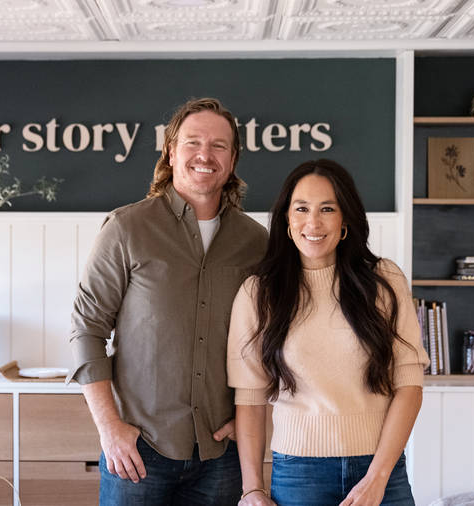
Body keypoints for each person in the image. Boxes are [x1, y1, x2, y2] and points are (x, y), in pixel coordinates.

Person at [68, 97, 269, 505]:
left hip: (221, 454)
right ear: (171, 152)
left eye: (219, 146)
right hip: (138, 452)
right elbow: (85, 329)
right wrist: (109, 428)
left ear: (232, 160)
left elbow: (271, 340)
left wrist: (246, 418)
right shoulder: (126, 228)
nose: (205, 155)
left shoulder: (256, 243)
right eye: (193, 142)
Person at [227, 159, 429, 506]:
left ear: (345, 220)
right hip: (298, 474)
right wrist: (252, 489)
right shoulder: (258, 292)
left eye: (327, 209)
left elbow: (409, 386)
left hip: (381, 467)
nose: (313, 222)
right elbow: (250, 401)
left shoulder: (384, 281)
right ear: (287, 221)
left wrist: (377, 479)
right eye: (301, 208)